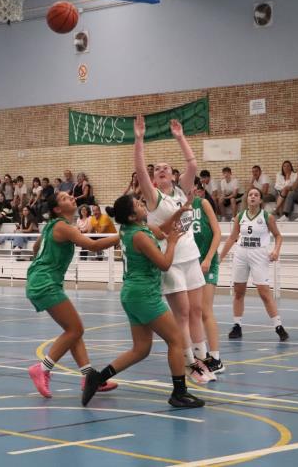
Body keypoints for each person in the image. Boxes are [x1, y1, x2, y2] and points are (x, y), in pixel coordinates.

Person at [81, 195, 204, 409]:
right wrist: (173, 242)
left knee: (141, 348)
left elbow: (162, 229)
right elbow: (165, 264)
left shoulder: (132, 229)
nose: (141, 204)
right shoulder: (139, 236)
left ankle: (98, 378)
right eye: (138, 205)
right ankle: (179, 392)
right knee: (176, 340)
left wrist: (178, 213)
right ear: (131, 215)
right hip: (143, 295)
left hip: (132, 294)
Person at [134, 117, 215, 383]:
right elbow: (140, 170)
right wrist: (139, 139)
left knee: (196, 311)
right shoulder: (154, 197)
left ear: (173, 174)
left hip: (192, 258)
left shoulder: (183, 192)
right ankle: (191, 365)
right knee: (180, 314)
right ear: (154, 179)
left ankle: (203, 358)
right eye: (156, 169)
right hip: (171, 263)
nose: (161, 170)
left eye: (165, 168)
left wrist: (180, 137)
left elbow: (193, 164)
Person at [26, 192, 120, 398]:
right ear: (57, 209)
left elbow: (35, 248)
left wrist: (44, 264)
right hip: (45, 282)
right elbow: (93, 246)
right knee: (75, 329)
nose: (70, 198)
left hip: (41, 279)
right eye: (64, 198)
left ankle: (88, 377)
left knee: (73, 331)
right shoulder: (62, 227)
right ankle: (42, 368)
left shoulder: (52, 226)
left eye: (70, 196)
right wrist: (123, 235)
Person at [220, 188, 289, 342]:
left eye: (256, 195)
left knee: (264, 292)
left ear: (260, 200)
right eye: (250, 194)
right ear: (247, 198)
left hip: (259, 255)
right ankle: (237, 325)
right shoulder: (239, 216)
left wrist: (276, 251)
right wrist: (220, 257)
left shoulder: (267, 217)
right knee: (238, 291)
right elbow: (232, 238)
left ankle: (278, 325)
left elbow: (278, 236)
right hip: (241, 254)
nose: (252, 197)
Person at [190, 182, 224, 373]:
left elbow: (217, 233)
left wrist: (209, 259)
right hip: (190, 264)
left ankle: (216, 358)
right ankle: (199, 354)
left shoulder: (202, 204)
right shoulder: (181, 209)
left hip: (207, 262)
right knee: (191, 311)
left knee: (205, 310)